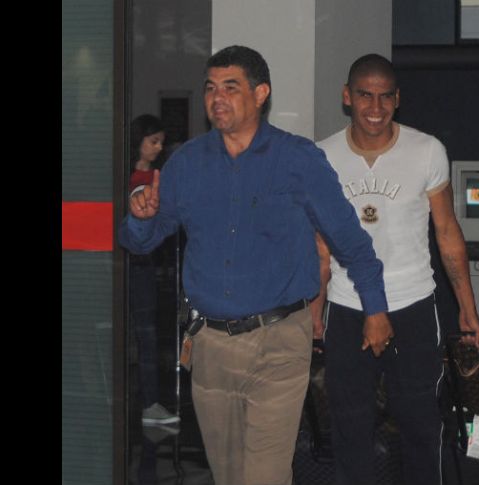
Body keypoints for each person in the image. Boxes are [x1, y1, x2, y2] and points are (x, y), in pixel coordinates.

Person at [119, 45, 389, 485]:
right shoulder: (186, 163)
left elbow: (349, 240)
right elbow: (140, 242)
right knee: (227, 475)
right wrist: (140, 217)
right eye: (210, 88)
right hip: (209, 346)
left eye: (231, 87)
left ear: (261, 93)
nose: (217, 98)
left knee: (264, 476)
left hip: (278, 341)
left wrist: (375, 308)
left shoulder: (297, 159)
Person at [311, 54, 479, 485]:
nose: (376, 107)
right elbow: (320, 247)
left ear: (398, 99)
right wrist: (315, 312)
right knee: (350, 430)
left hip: (414, 307)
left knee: (421, 426)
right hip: (347, 308)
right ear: (347, 97)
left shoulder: (427, 150)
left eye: (385, 96)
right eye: (365, 95)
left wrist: (467, 307)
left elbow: (447, 231)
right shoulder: (322, 156)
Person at [127, 114, 181, 428]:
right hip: (130, 263)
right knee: (140, 335)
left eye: (161, 142)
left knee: (147, 335)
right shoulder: (123, 175)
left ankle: (150, 403)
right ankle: (145, 402)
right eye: (153, 141)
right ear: (139, 141)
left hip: (146, 264)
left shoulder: (159, 178)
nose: (158, 147)